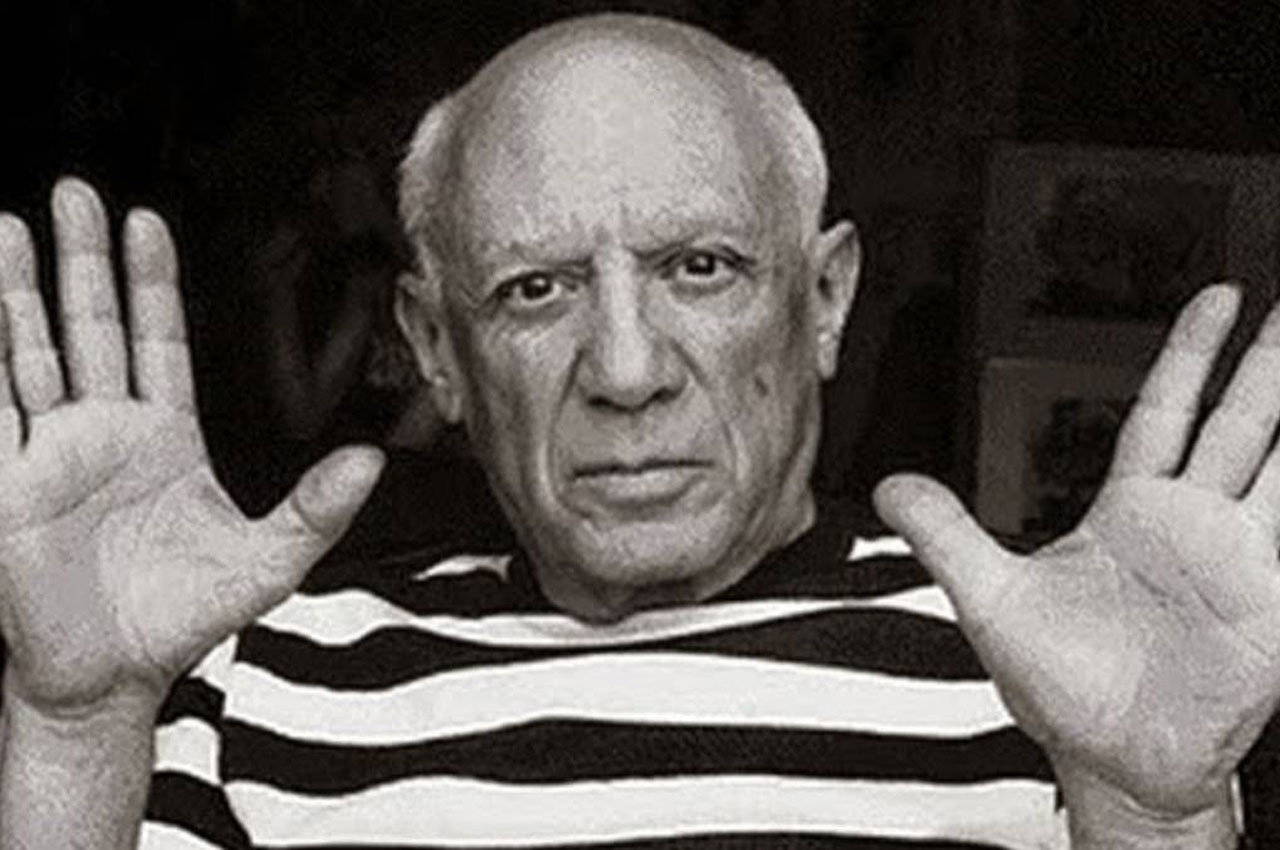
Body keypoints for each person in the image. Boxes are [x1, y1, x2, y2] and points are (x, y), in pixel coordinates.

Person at [2, 13, 1279, 849]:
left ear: (823, 300)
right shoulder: (272, 683)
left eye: (700, 267)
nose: (624, 370)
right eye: (534, 289)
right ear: (437, 348)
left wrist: (1151, 818)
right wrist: (76, 730)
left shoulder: (1057, 672)